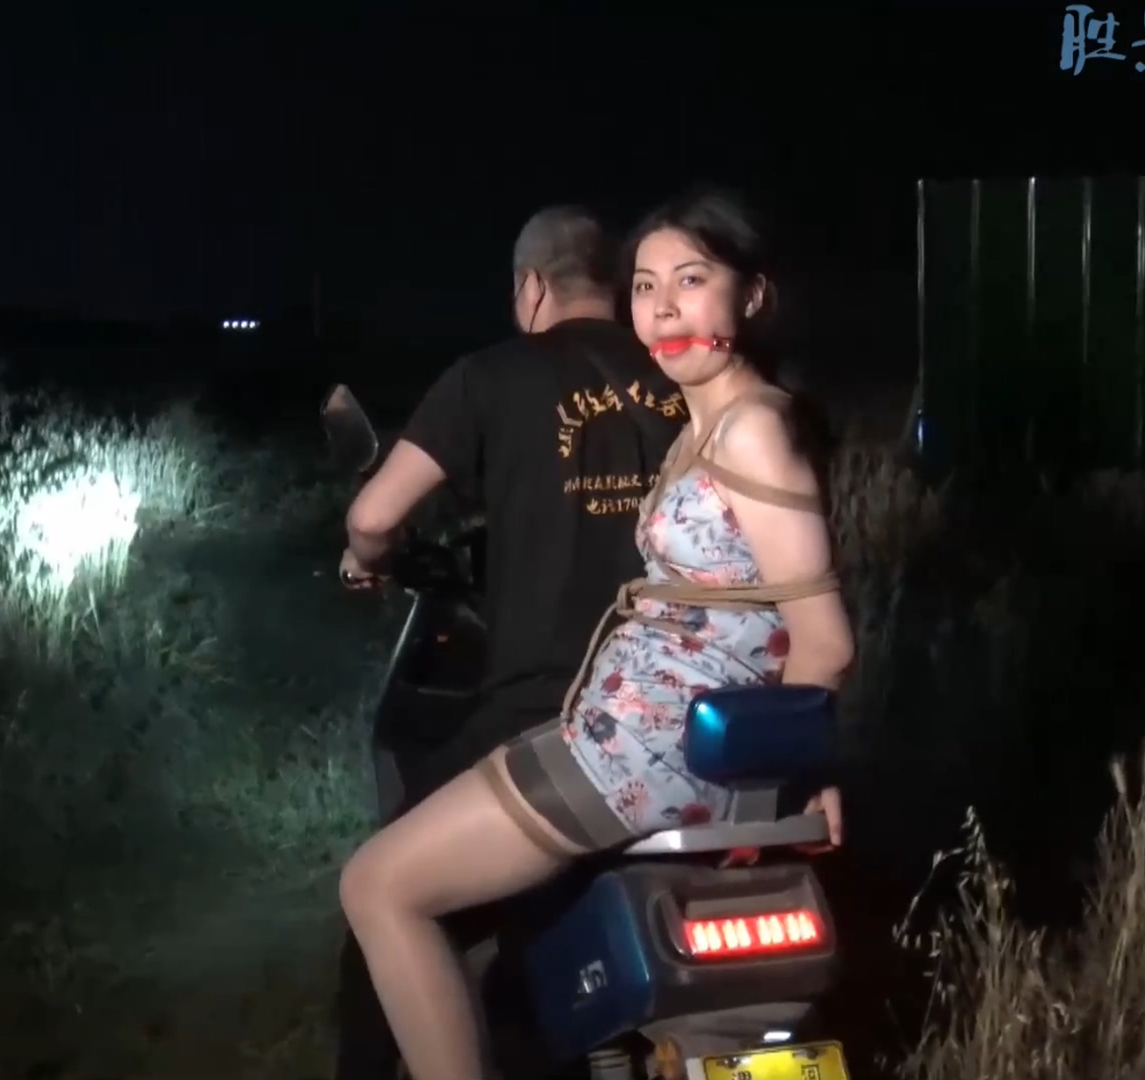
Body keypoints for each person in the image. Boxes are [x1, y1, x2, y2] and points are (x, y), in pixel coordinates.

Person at [336, 186, 856, 1080]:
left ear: (753, 295)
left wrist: (792, 778)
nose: (664, 308)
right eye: (646, 286)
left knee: (378, 886)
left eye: (691, 280)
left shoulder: (753, 429)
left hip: (641, 752)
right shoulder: (704, 423)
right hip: (630, 730)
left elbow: (823, 639)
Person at [331, 205, 686, 1079]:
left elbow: (374, 514)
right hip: (687, 712)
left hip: (552, 713)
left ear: (531, 288)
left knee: (382, 891)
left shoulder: (490, 376)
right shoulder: (686, 374)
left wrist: (364, 558)